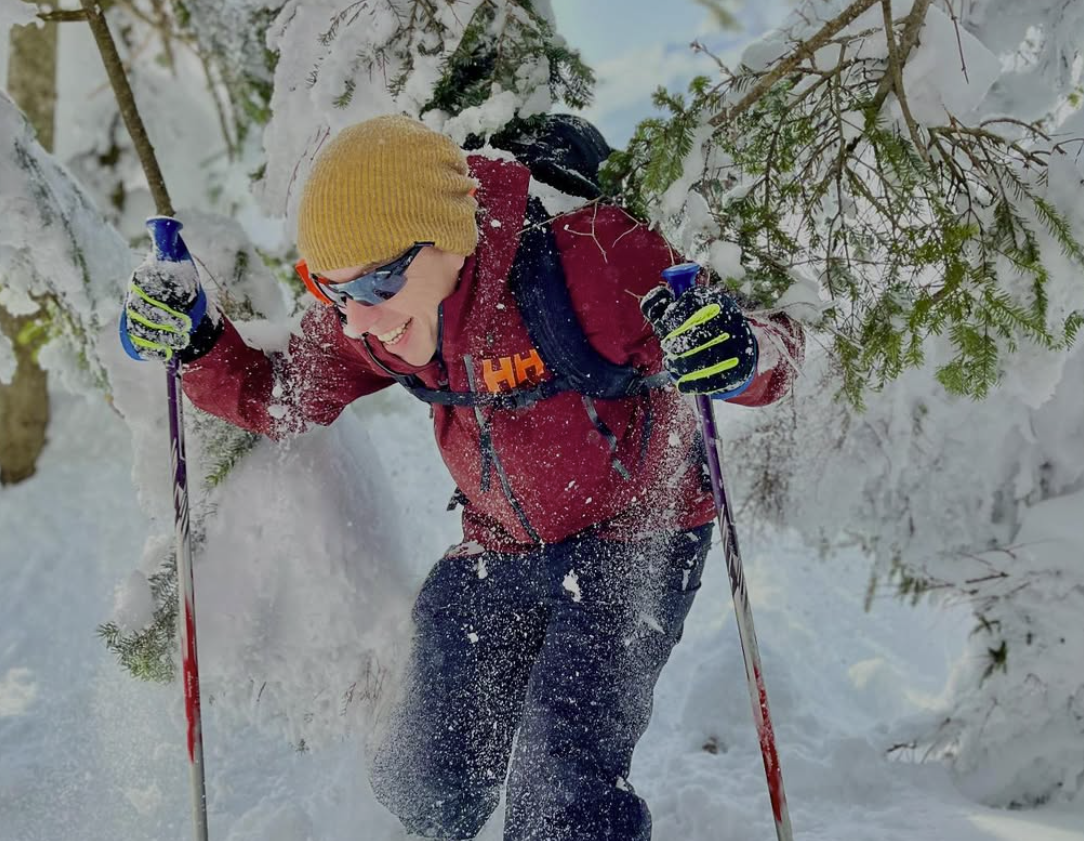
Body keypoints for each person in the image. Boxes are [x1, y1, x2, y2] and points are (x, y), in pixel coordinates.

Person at [121, 114, 803, 841]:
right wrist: (199, 341)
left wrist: (735, 351)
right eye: (332, 290)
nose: (360, 319)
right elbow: (279, 390)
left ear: (447, 234)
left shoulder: (593, 264)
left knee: (561, 786)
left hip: (635, 538)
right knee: (421, 771)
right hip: (502, 544)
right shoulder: (378, 320)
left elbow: (773, 346)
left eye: (381, 280)